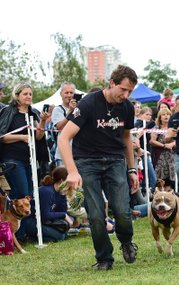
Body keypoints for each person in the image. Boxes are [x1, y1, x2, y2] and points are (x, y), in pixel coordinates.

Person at [58, 65, 140, 270]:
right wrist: (72, 170)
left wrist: (132, 169)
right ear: (112, 83)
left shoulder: (127, 107)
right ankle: (104, 258)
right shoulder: (88, 104)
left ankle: (126, 240)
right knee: (95, 215)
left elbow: (127, 137)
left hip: (115, 161)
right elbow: (63, 137)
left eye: (130, 91)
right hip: (87, 162)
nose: (126, 94)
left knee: (122, 210)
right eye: (123, 89)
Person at [0, 83, 49, 199]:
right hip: (12, 159)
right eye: (25, 94)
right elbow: (2, 137)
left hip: (29, 159)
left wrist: (42, 121)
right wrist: (22, 137)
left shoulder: (34, 113)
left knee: (29, 194)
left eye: (30, 94)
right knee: (22, 192)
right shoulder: (7, 112)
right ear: (17, 96)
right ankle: (13, 217)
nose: (28, 96)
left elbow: (38, 137)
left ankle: (25, 217)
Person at [51, 82, 78, 167]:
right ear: (61, 94)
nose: (69, 95)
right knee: (64, 180)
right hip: (62, 155)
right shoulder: (57, 109)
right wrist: (70, 111)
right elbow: (60, 126)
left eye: (71, 93)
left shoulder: (81, 109)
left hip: (79, 155)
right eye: (66, 92)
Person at [150, 108, 176, 189]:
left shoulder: (174, 127)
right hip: (160, 155)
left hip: (172, 155)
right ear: (160, 117)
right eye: (163, 114)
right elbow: (152, 141)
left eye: (168, 114)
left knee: (172, 176)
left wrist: (172, 144)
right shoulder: (156, 127)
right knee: (161, 177)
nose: (166, 116)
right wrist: (164, 145)